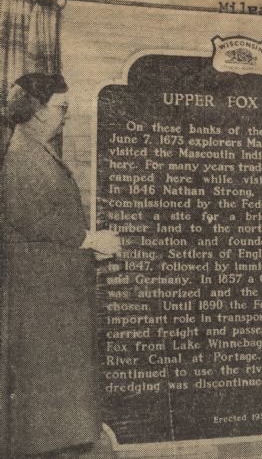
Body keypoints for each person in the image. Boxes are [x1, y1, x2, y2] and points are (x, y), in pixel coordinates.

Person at [1, 73, 119, 458]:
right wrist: (88, 240)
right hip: (44, 296)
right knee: (49, 399)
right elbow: (31, 218)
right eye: (61, 107)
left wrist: (86, 246)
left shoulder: (36, 148)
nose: (66, 115)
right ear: (36, 112)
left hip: (54, 290)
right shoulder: (23, 155)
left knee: (59, 398)